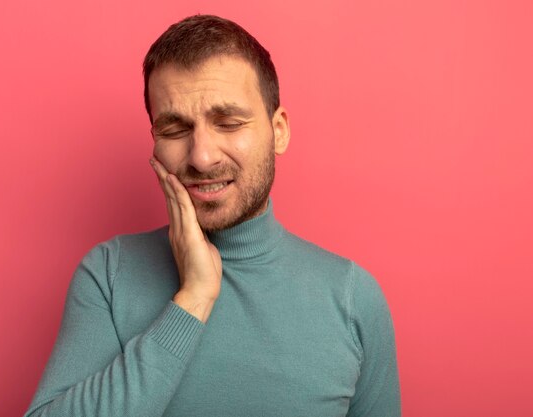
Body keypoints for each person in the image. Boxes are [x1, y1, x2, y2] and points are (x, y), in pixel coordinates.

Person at [24, 14, 400, 417]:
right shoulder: (108, 274)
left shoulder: (352, 297)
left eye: (229, 123)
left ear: (279, 130)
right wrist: (193, 300)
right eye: (173, 130)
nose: (202, 157)